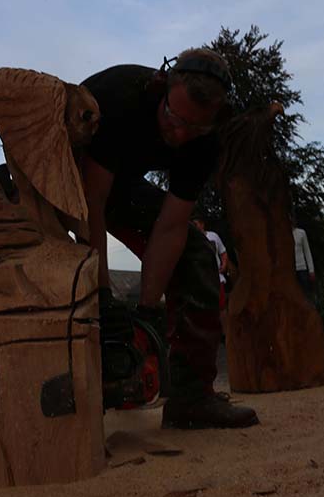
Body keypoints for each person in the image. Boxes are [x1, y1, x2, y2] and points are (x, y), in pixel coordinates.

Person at [81, 49, 258, 429]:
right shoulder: (121, 97)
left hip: (118, 185)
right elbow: (90, 204)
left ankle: (191, 398)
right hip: (60, 174)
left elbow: (172, 226)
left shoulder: (206, 140)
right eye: (173, 119)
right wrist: (103, 296)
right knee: (67, 276)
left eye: (194, 127)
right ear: (162, 87)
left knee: (197, 254)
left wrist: (147, 312)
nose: (179, 134)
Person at [192, 215, 229, 332]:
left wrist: (224, 265)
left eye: (196, 224)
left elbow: (223, 252)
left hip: (217, 278)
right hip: (200, 279)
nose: (194, 227)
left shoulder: (213, 236)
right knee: (204, 308)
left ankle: (225, 333)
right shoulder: (191, 239)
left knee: (221, 307)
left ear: (202, 224)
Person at [292, 220, 316, 299]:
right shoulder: (282, 234)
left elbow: (307, 251)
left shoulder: (301, 233)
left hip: (302, 269)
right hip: (290, 270)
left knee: (305, 295)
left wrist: (311, 270)